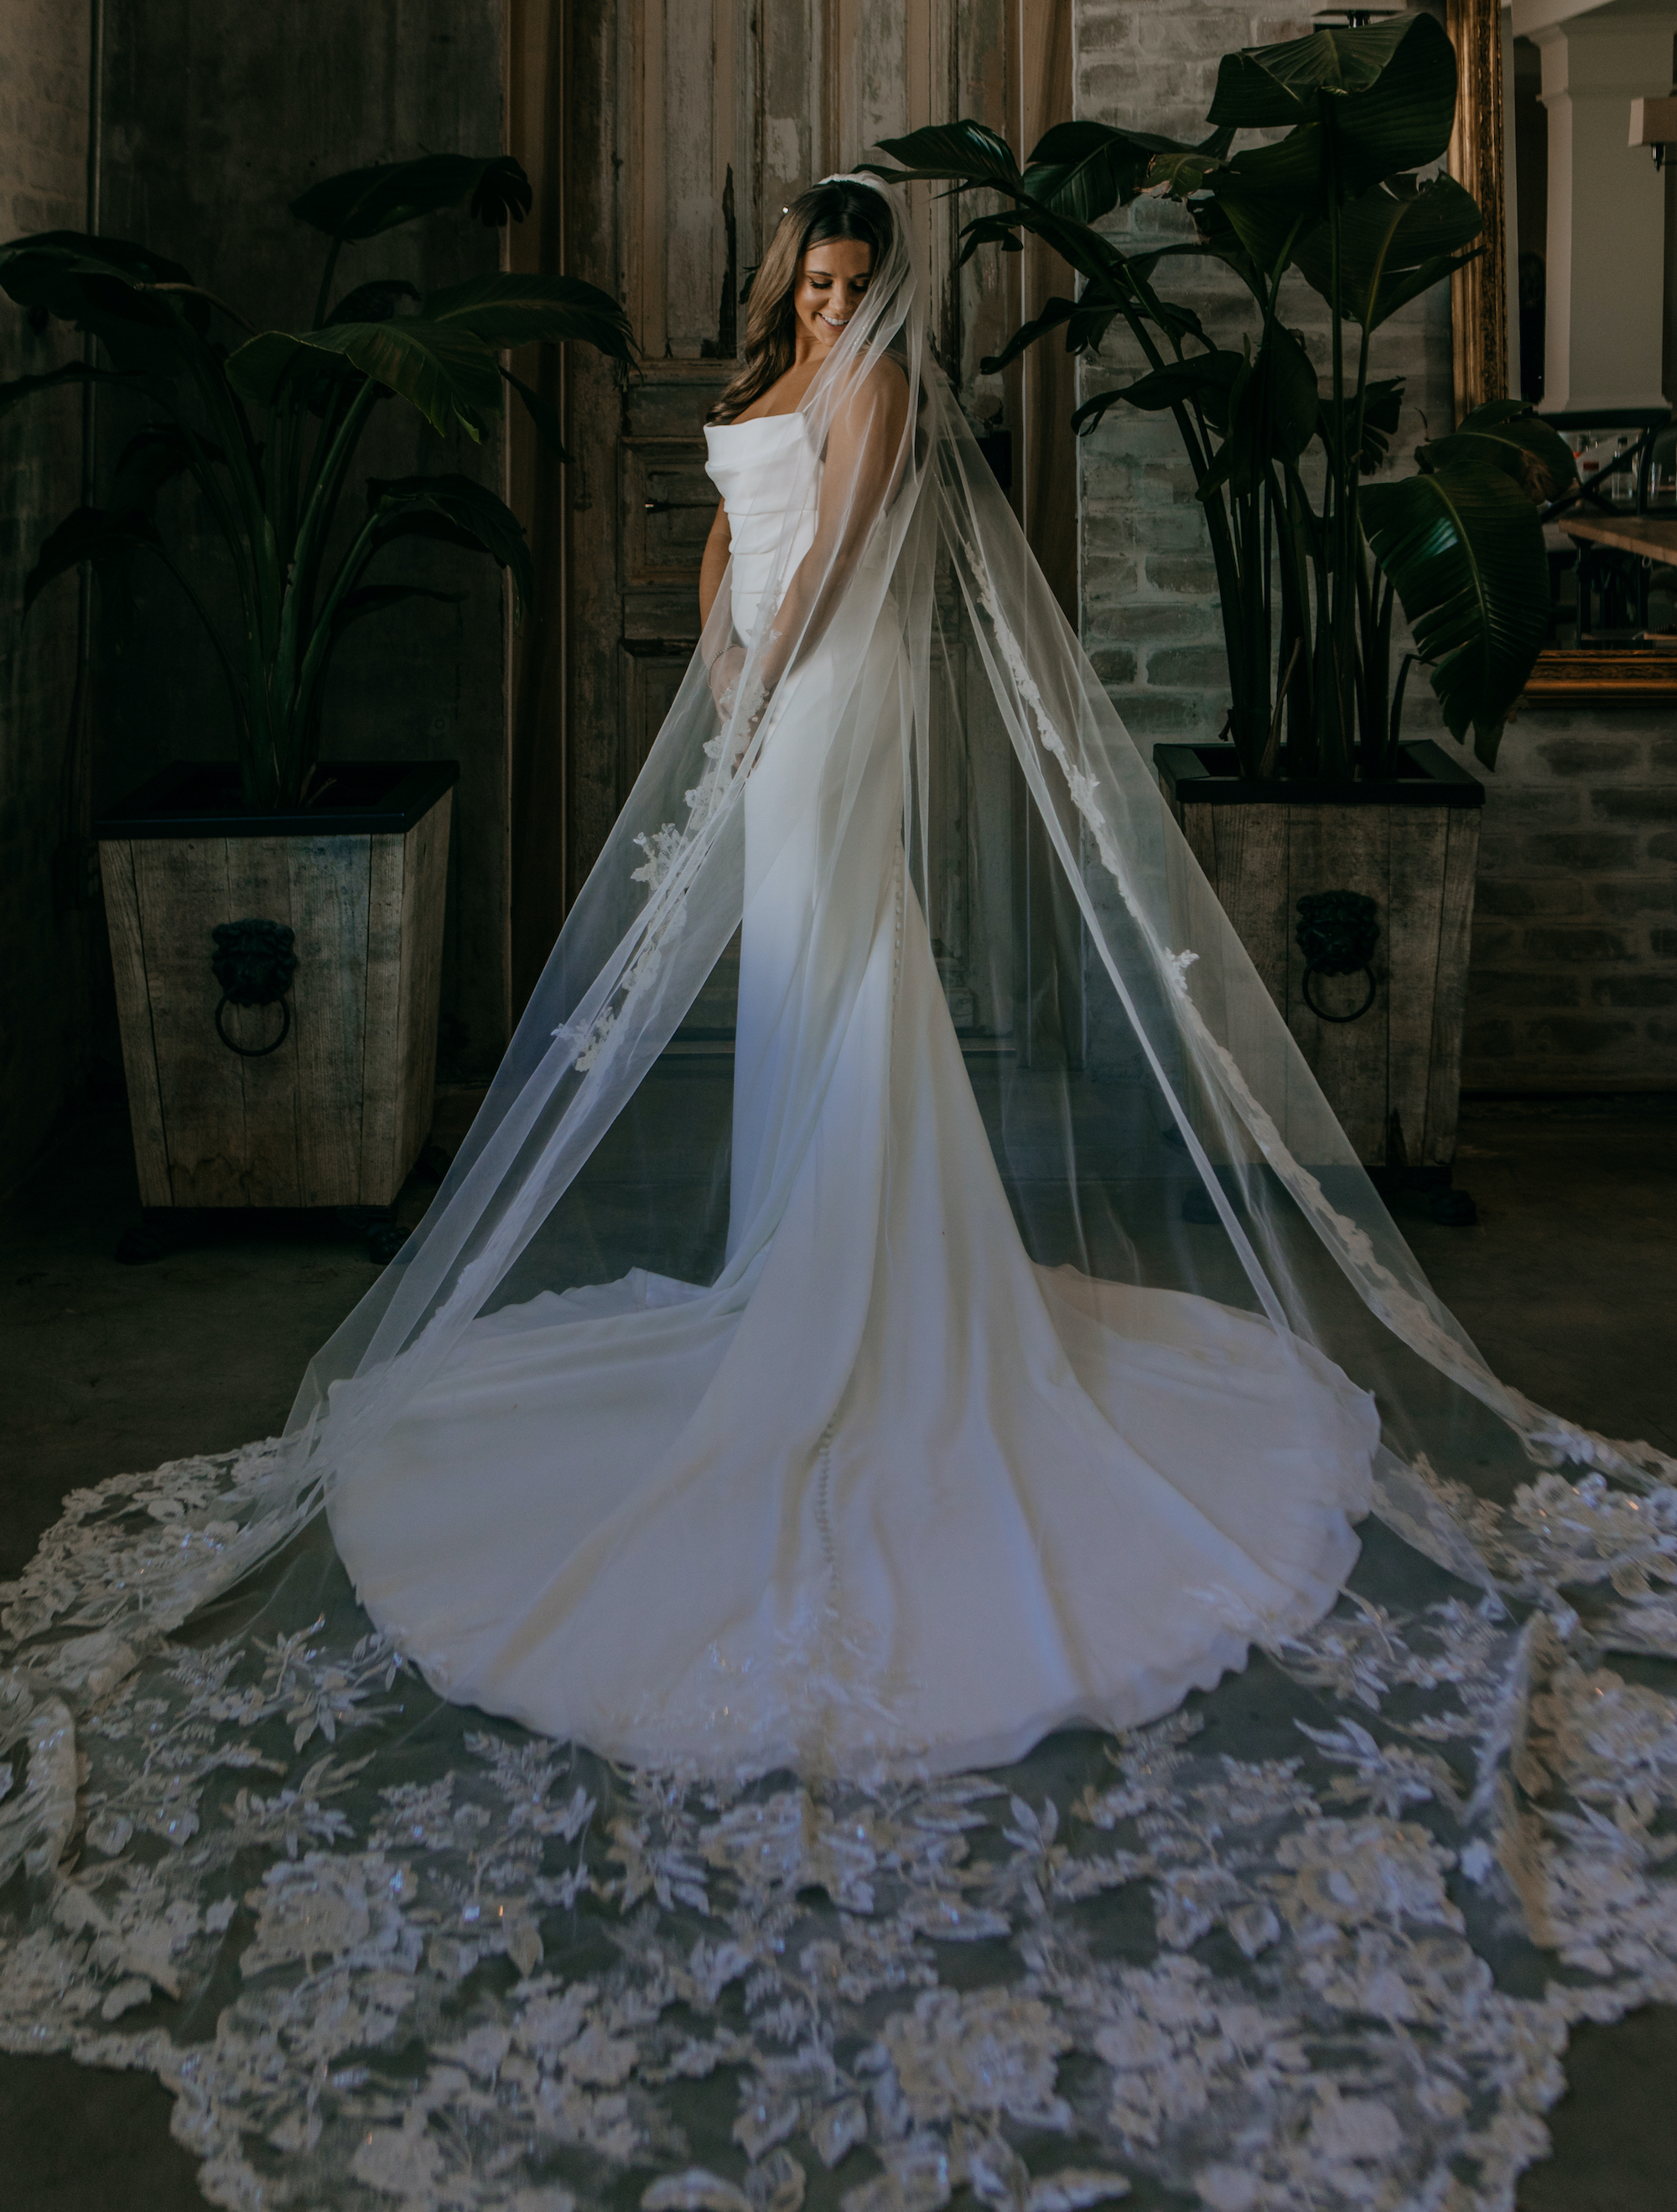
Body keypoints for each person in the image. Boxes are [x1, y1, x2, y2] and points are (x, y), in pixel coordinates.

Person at [315, 178, 1381, 1779]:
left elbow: (849, 548)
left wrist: (774, 679)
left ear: (883, 283)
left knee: (843, 933)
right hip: (764, 675)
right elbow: (737, 537)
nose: (832, 303)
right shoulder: (768, 379)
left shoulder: (877, 383)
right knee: (808, 960)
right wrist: (720, 659)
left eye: (853, 280)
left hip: (837, 687)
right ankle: (797, 1254)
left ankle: (873, 1293)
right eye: (814, 280)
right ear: (784, 279)